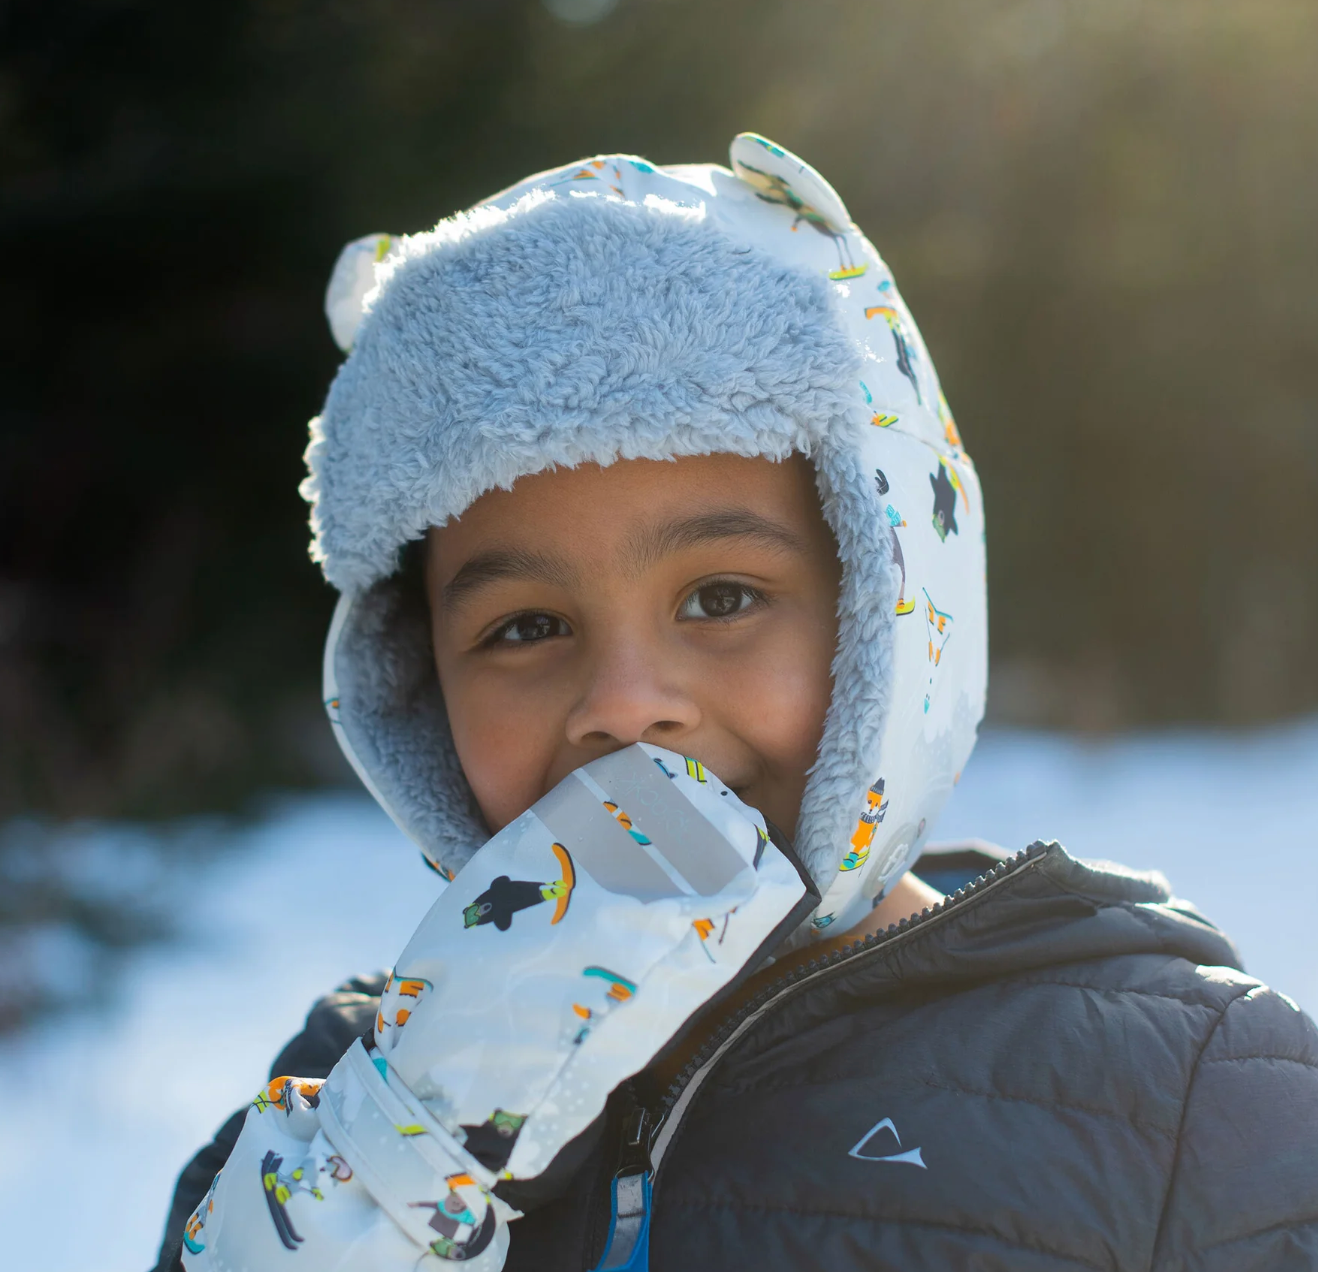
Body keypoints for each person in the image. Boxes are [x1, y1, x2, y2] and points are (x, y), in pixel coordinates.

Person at [153, 135, 1318, 1272]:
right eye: (526, 627)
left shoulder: (1195, 1107)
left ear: (888, 615)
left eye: (720, 598)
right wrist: (386, 1170)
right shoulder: (340, 1099)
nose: (624, 708)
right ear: (417, 685)